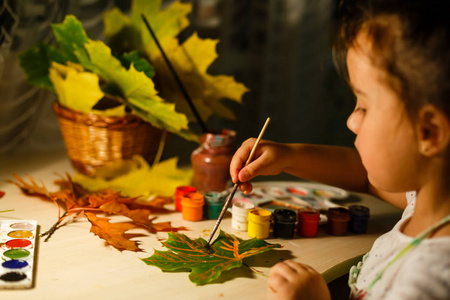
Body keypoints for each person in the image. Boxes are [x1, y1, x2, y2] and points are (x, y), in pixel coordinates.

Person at [229, 0, 450, 299]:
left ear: (429, 132)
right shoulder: (423, 201)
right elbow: (365, 176)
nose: (351, 121)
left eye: (364, 106)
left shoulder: (427, 282)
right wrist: (289, 156)